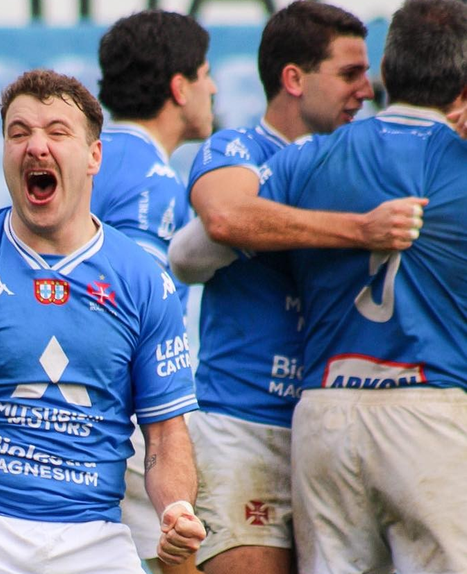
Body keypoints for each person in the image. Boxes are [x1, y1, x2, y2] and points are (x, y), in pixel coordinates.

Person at [0, 69, 206, 574]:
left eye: (56, 132)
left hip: (91, 534)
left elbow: (165, 435)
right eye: (19, 132)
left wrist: (177, 510)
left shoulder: (144, 282)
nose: (36, 146)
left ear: (95, 156)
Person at [168, 3, 428, 573]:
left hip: (339, 431)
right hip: (245, 422)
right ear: (293, 79)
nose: (367, 89)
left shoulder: (360, 162)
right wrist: (358, 230)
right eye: (349, 74)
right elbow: (223, 222)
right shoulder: (237, 149)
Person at [252, 0, 467, 571]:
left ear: (386, 74)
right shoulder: (461, 163)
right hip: (432, 406)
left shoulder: (311, 157)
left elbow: (194, 251)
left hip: (325, 411)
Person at [92, 10, 215, 574]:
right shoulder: (155, 180)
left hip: (71, 396)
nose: (212, 87)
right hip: (123, 406)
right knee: (178, 552)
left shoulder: (90, 157)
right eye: (205, 73)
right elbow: (129, 302)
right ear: (179, 86)